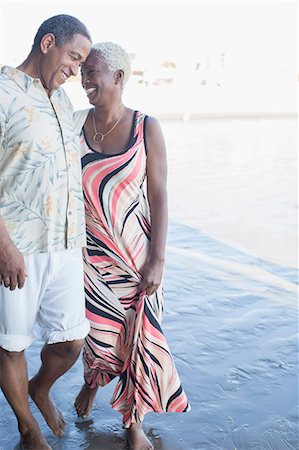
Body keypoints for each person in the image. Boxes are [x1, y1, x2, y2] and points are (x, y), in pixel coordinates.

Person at [74, 42, 190, 450]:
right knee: (98, 337)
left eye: (93, 72)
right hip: (89, 259)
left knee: (139, 337)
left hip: (137, 256)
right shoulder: (75, 125)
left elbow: (159, 196)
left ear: (119, 77)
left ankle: (132, 422)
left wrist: (157, 259)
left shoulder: (146, 126)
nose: (84, 79)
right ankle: (92, 382)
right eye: (83, 71)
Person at [0, 15, 91, 450]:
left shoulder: (63, 103)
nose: (76, 69)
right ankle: (27, 427)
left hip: (67, 245)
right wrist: (3, 246)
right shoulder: (2, 90)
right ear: (47, 42)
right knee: (12, 343)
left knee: (73, 341)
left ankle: (40, 388)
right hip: (17, 245)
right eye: (74, 57)